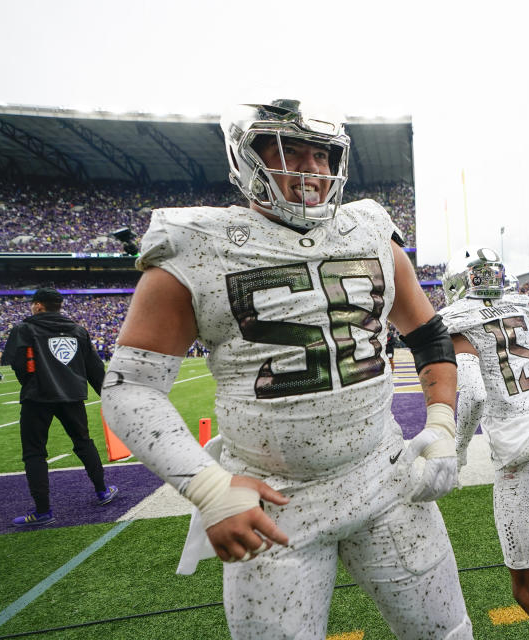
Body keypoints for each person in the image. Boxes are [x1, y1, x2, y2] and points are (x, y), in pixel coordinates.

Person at [101, 99, 472, 639]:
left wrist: (440, 427)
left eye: (322, 154)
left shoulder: (370, 230)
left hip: (384, 476)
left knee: (449, 634)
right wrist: (209, 487)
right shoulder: (197, 244)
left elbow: (428, 332)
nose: (312, 169)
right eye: (288, 150)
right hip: (275, 501)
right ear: (246, 158)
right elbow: (132, 387)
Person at [440, 246, 529, 639]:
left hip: (524, 451)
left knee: (527, 587)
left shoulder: (460, 319)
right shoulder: (519, 306)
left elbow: (472, 396)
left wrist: (458, 452)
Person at [2, 288, 118, 526]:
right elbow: (96, 371)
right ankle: (102, 490)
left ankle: (43, 511)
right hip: (72, 397)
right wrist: (108, 398)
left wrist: (34, 382)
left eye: (33, 304)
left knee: (34, 453)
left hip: (37, 397)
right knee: (83, 442)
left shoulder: (24, 329)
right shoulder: (78, 331)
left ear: (39, 306)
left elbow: (17, 363)